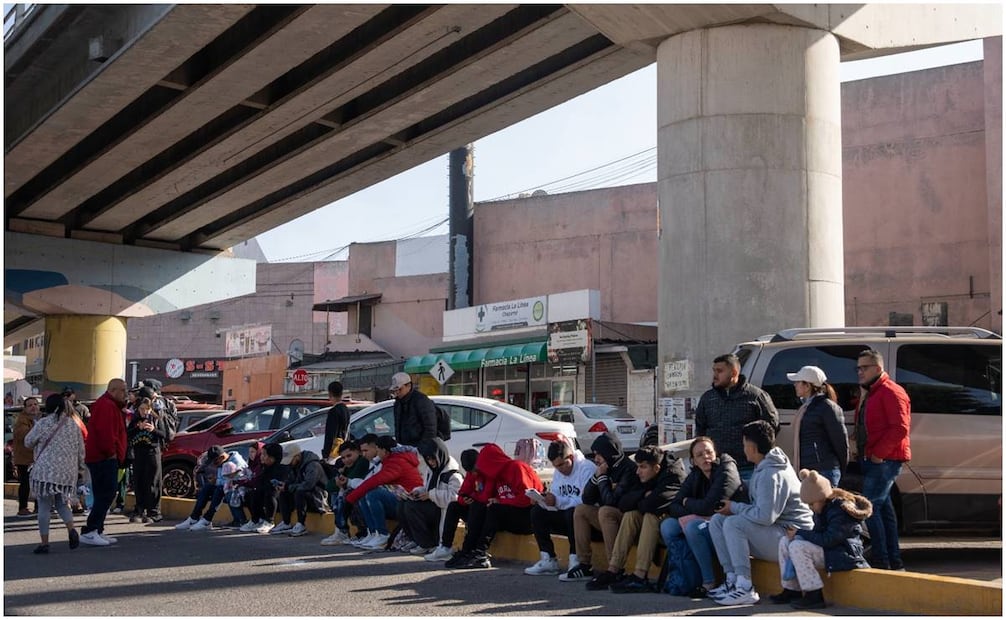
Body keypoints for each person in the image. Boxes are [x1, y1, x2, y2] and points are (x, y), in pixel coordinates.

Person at [707, 420, 814, 606]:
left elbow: (765, 516)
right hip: (778, 532)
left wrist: (734, 507)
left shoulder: (771, 474)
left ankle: (745, 587)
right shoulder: (764, 465)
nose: (743, 448)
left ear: (752, 447)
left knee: (734, 523)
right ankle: (732, 580)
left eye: (744, 444)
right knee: (718, 520)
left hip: (792, 538)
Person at [588, 446, 686, 593]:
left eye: (643, 467)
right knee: (630, 515)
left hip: (671, 525)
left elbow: (652, 504)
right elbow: (623, 504)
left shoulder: (674, 475)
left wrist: (643, 499)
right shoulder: (642, 474)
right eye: (638, 466)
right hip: (649, 522)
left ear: (657, 468)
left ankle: (640, 576)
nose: (638, 471)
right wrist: (643, 495)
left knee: (650, 516)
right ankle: (614, 570)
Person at [771, 469, 872, 610]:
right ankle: (792, 589)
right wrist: (799, 535)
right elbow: (820, 535)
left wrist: (801, 533)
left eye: (812, 504)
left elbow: (829, 539)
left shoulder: (840, 510)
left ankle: (814, 594)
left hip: (844, 554)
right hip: (832, 551)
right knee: (785, 542)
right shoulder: (823, 508)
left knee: (797, 546)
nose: (811, 508)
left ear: (822, 497)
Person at [660, 436, 744, 598]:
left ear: (715, 454)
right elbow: (674, 506)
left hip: (727, 527)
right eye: (700, 455)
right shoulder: (695, 476)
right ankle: (687, 574)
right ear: (693, 461)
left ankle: (708, 582)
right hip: (707, 523)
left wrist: (689, 504)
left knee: (693, 527)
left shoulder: (726, 469)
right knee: (668, 526)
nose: (706, 457)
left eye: (709, 452)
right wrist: (695, 512)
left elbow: (710, 505)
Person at [852, 348, 911, 571]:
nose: (860, 372)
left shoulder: (891, 391)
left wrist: (879, 454)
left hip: (884, 460)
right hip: (873, 458)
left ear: (878, 368)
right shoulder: (871, 392)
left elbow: (900, 428)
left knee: (870, 507)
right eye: (858, 368)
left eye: (864, 368)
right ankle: (893, 562)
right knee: (884, 511)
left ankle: (882, 561)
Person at [443, 443, 543, 570]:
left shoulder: (516, 468)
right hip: (509, 515)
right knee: (482, 508)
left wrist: (500, 501)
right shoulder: (495, 475)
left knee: (492, 509)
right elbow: (478, 495)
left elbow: (528, 499)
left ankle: (480, 553)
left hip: (527, 517)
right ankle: (468, 550)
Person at [561, 432, 641, 582]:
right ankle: (584, 564)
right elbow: (587, 498)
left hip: (627, 521)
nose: (596, 458)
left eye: (600, 454)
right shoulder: (604, 468)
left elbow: (611, 501)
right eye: (595, 454)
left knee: (605, 511)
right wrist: (596, 477)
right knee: (581, 510)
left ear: (609, 453)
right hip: (608, 518)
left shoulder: (628, 469)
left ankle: (615, 567)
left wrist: (602, 478)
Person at [694, 353, 779, 481]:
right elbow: (700, 430)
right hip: (718, 468)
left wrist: (756, 452)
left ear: (734, 373)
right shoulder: (707, 398)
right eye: (714, 371)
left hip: (748, 468)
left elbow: (771, 427)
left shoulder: (755, 396)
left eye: (720, 371)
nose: (715, 375)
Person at [23, 393, 85, 553]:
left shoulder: (43, 423)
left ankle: (44, 543)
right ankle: (71, 529)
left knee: (44, 506)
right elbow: (81, 451)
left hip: (46, 472)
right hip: (66, 473)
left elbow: (28, 442)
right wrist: (79, 469)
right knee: (62, 503)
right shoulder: (73, 425)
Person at [524, 437, 595, 576]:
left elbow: (586, 500)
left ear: (570, 457)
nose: (560, 469)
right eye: (556, 466)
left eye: (562, 464)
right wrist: (543, 500)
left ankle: (576, 559)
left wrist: (557, 501)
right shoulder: (558, 472)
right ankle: (548, 559)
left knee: (573, 512)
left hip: (585, 519)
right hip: (564, 514)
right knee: (537, 512)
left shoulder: (587, 468)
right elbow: (556, 497)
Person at [345, 435, 423, 549]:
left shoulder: (396, 462)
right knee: (364, 494)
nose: (377, 452)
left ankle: (382, 534)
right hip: (403, 500)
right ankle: (373, 533)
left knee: (374, 493)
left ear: (385, 451)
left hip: (411, 503)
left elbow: (373, 481)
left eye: (378, 449)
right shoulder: (388, 460)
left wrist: (350, 499)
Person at [80, 378, 128, 546]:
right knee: (106, 493)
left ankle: (97, 530)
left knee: (104, 494)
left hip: (103, 456)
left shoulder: (110, 405)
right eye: (123, 390)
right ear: (113, 390)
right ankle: (91, 529)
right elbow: (106, 434)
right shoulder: (107, 406)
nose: (125, 394)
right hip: (103, 457)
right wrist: (111, 454)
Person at [397, 437, 463, 554]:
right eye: (428, 460)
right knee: (403, 505)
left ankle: (426, 544)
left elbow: (454, 497)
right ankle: (416, 540)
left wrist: (430, 495)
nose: (431, 463)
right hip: (433, 505)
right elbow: (426, 486)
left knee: (411, 507)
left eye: (433, 459)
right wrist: (417, 491)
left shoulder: (453, 475)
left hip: (442, 509)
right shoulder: (431, 470)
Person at [787, 365, 848, 486]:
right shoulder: (806, 407)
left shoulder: (827, 407)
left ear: (808, 385)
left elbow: (840, 441)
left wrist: (842, 468)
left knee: (825, 504)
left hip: (824, 470)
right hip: (808, 469)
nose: (795, 385)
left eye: (798, 382)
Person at [425, 448, 480, 562]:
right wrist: (464, 500)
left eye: (474, 470)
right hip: (473, 507)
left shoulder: (486, 473)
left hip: (484, 509)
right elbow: (460, 494)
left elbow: (488, 493)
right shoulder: (470, 474)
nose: (473, 473)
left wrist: (475, 498)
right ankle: (445, 547)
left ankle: (470, 550)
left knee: (477, 508)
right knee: (453, 506)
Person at [126, 396, 168, 523]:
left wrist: (153, 429)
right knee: (139, 482)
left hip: (152, 452)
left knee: (153, 482)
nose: (144, 412)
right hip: (138, 452)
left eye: (147, 409)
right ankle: (139, 510)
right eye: (142, 409)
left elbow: (164, 434)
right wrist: (137, 428)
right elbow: (127, 434)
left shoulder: (156, 419)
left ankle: (154, 511)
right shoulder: (134, 420)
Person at [321, 440, 370, 545]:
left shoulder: (362, 462)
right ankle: (340, 530)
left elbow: (349, 481)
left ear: (358, 452)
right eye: (343, 458)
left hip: (364, 495)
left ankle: (346, 531)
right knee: (336, 495)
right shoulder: (346, 467)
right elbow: (329, 486)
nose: (346, 460)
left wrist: (342, 482)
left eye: (349, 456)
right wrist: (341, 479)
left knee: (345, 495)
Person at [272, 444, 328, 537]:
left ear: (297, 456)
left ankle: (301, 524)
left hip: (318, 498)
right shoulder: (295, 466)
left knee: (300, 492)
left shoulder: (313, 465)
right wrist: (284, 485)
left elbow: (308, 485)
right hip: (305, 496)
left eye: (290, 460)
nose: (289, 463)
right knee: (284, 493)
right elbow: (292, 482)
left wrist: (288, 487)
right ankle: (286, 523)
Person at [175, 445, 229, 531]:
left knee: (219, 490)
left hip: (234, 490)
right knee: (207, 488)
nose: (214, 465)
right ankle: (194, 518)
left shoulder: (234, 462)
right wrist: (214, 480)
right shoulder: (222, 463)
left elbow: (230, 482)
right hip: (224, 487)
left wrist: (217, 481)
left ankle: (207, 520)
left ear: (222, 457)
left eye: (215, 462)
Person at [389, 372, 437, 447]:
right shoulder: (398, 403)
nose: (397, 392)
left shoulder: (421, 401)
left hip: (418, 447)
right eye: (395, 390)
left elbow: (430, 428)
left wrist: (422, 448)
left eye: (400, 389)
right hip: (404, 447)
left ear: (409, 386)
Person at [247, 443, 286, 533]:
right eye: (261, 454)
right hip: (267, 496)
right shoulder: (265, 468)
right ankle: (256, 519)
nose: (262, 457)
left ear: (273, 457)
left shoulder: (281, 468)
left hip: (281, 497)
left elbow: (278, 485)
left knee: (270, 493)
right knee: (253, 493)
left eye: (265, 454)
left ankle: (269, 521)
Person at [12, 396, 38, 517]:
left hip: (35, 457)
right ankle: (23, 508)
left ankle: (39, 507)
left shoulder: (36, 419)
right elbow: (25, 436)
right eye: (30, 405)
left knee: (37, 483)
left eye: (35, 404)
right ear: (25, 408)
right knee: (25, 483)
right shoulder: (22, 420)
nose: (33, 407)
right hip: (24, 458)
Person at [321, 381, 351, 461]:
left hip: (335, 450)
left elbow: (330, 434)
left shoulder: (333, 411)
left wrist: (325, 454)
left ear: (330, 394)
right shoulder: (345, 409)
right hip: (344, 446)